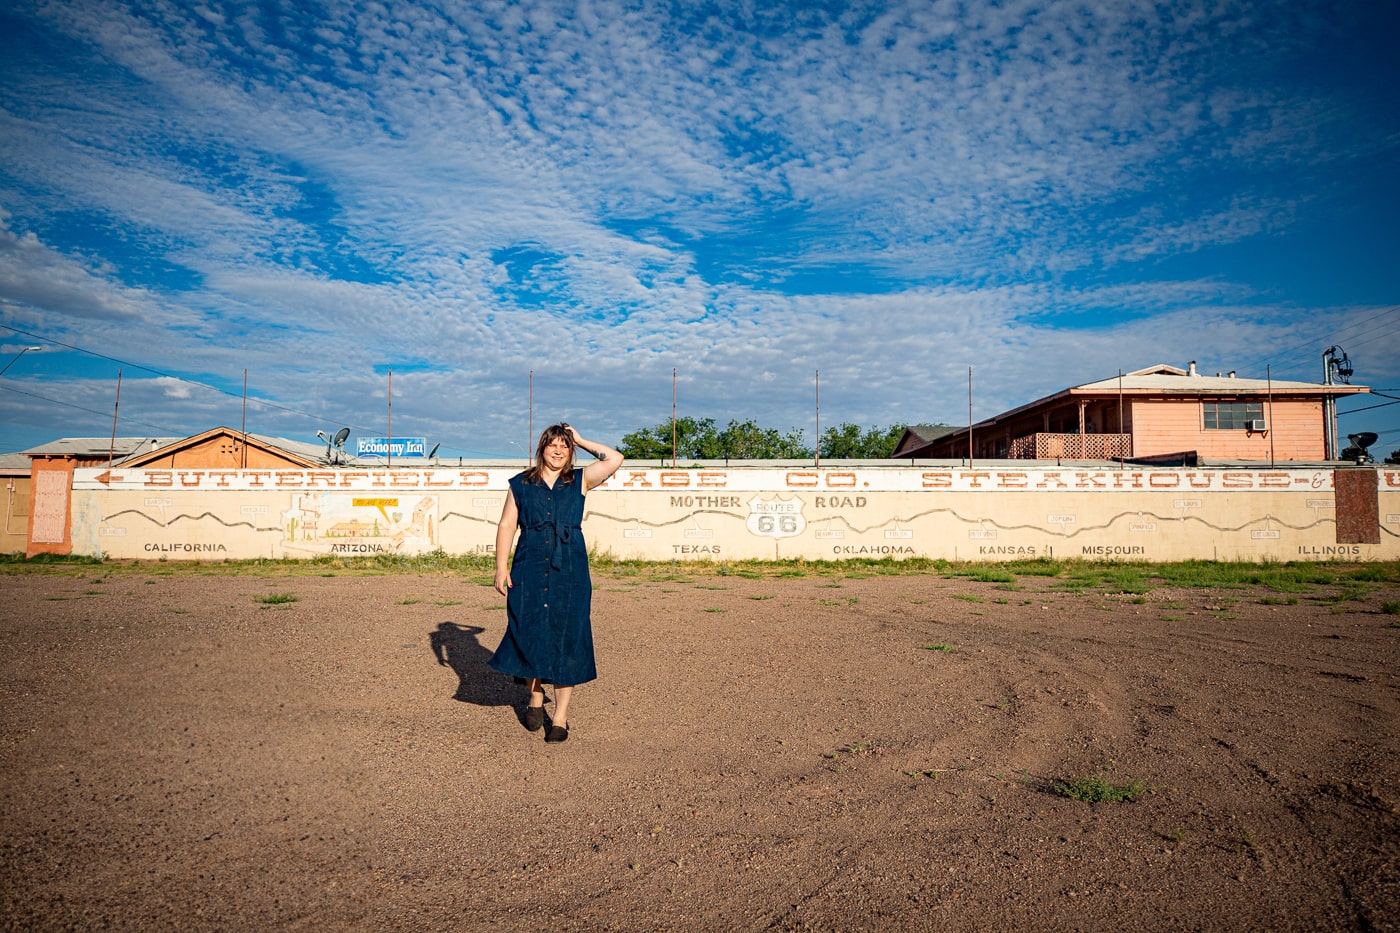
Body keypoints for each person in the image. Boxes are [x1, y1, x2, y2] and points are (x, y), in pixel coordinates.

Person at [489, 423, 623, 743]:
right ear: (542, 449)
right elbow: (508, 524)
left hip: (570, 570)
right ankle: (535, 696)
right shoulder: (521, 484)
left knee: (567, 638)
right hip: (529, 566)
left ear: (571, 450)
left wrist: (580, 438)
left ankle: (561, 717)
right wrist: (500, 567)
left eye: (565, 446)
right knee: (529, 631)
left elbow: (614, 458)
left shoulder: (580, 480)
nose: (559, 451)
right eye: (553, 445)